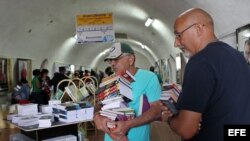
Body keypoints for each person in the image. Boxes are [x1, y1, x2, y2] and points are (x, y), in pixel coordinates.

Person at [161, 8, 250, 141]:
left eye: (179, 35)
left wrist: (169, 118)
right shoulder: (237, 56)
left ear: (198, 29)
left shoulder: (199, 62)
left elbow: (186, 130)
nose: (175, 43)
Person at [94, 42, 162, 141]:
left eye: (116, 59)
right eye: (110, 60)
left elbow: (156, 110)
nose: (112, 63)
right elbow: (98, 105)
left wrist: (127, 124)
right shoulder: (109, 81)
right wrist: (96, 116)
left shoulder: (149, 78)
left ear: (131, 59)